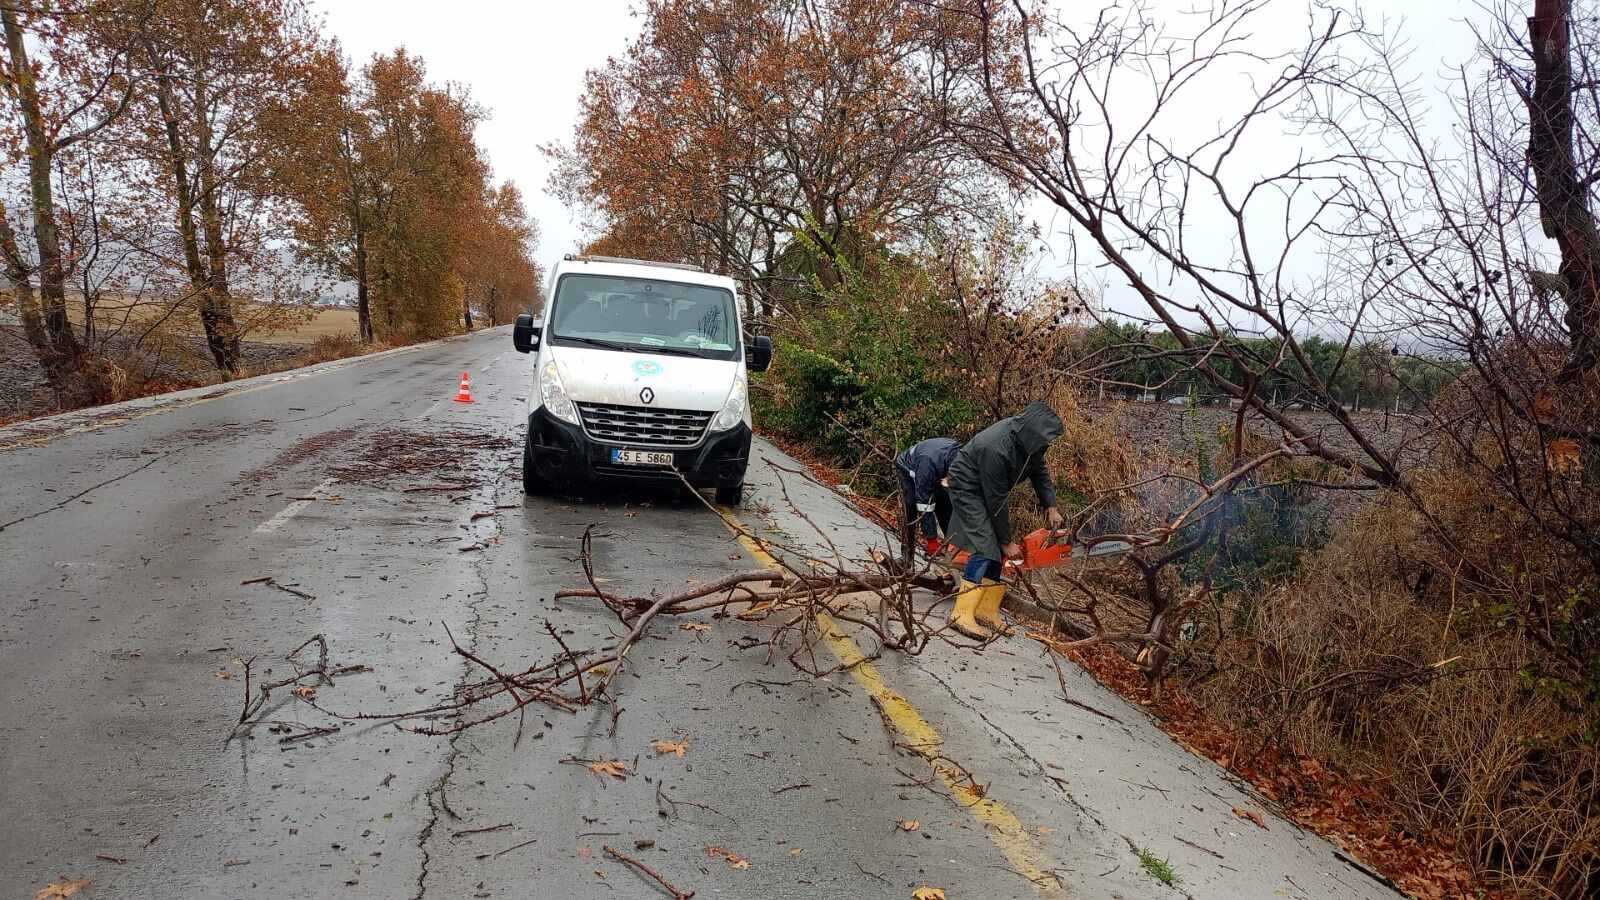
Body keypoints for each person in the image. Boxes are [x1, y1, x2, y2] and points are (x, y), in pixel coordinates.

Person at [944, 401, 1066, 639]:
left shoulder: (1031, 446)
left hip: (988, 491)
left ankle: (986, 610)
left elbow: (1039, 473)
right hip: (968, 487)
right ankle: (961, 614)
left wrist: (1051, 506)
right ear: (1031, 433)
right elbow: (996, 501)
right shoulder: (996, 448)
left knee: (995, 551)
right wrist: (1007, 541)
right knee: (985, 547)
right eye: (1045, 439)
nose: (1047, 444)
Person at [895, 436, 959, 563]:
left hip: (936, 468)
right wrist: (931, 540)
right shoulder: (928, 463)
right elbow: (924, 504)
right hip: (909, 471)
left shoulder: (962, 455)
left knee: (945, 504)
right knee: (912, 507)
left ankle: (953, 548)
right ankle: (907, 558)